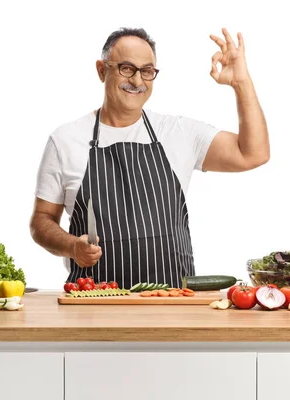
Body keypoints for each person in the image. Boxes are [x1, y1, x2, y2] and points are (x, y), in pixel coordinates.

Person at [30, 27, 269, 289]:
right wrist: (71, 246)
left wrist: (240, 82)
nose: (137, 81)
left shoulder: (179, 133)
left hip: (172, 304)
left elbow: (253, 153)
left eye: (146, 71)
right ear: (101, 70)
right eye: (126, 68)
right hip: (93, 306)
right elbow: (41, 221)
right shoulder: (65, 140)